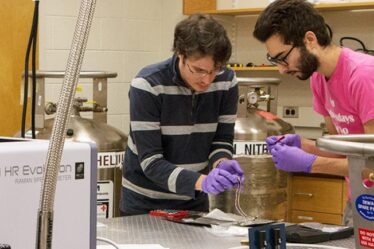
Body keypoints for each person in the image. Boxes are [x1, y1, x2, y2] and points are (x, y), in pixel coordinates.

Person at [253, 0, 374, 226]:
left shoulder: (364, 76)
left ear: (309, 40)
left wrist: (310, 163)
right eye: (275, 61)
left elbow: (372, 167)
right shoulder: (319, 79)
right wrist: (303, 144)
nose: (281, 68)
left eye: (283, 57)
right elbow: (343, 151)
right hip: (361, 201)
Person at [120, 14, 244, 216]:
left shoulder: (227, 81)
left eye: (215, 70)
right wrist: (203, 181)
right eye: (199, 70)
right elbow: (151, 162)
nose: (207, 80)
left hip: (193, 200)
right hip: (145, 203)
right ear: (180, 54)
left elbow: (221, 140)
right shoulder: (148, 84)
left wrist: (222, 163)